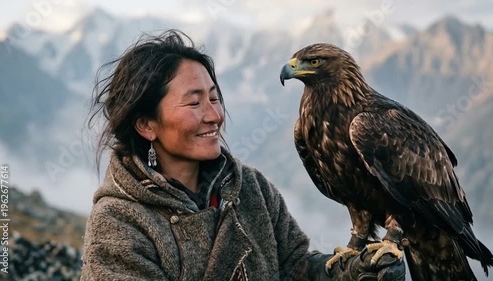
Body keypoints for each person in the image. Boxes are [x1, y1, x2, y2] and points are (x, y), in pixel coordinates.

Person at [81, 29, 405, 281]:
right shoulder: (118, 222)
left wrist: (348, 273)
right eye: (194, 103)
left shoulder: (250, 189)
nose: (214, 115)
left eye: (214, 98)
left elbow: (296, 269)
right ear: (146, 124)